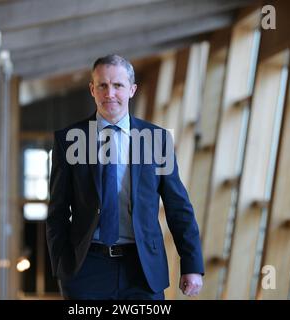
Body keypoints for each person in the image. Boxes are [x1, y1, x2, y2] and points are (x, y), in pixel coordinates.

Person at [46, 54, 204, 300]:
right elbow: (57, 211)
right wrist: (61, 267)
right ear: (92, 89)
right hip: (86, 269)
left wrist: (192, 264)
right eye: (103, 85)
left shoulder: (157, 140)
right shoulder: (68, 140)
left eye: (118, 85)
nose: (110, 93)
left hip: (142, 269)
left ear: (132, 89)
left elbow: (178, 206)